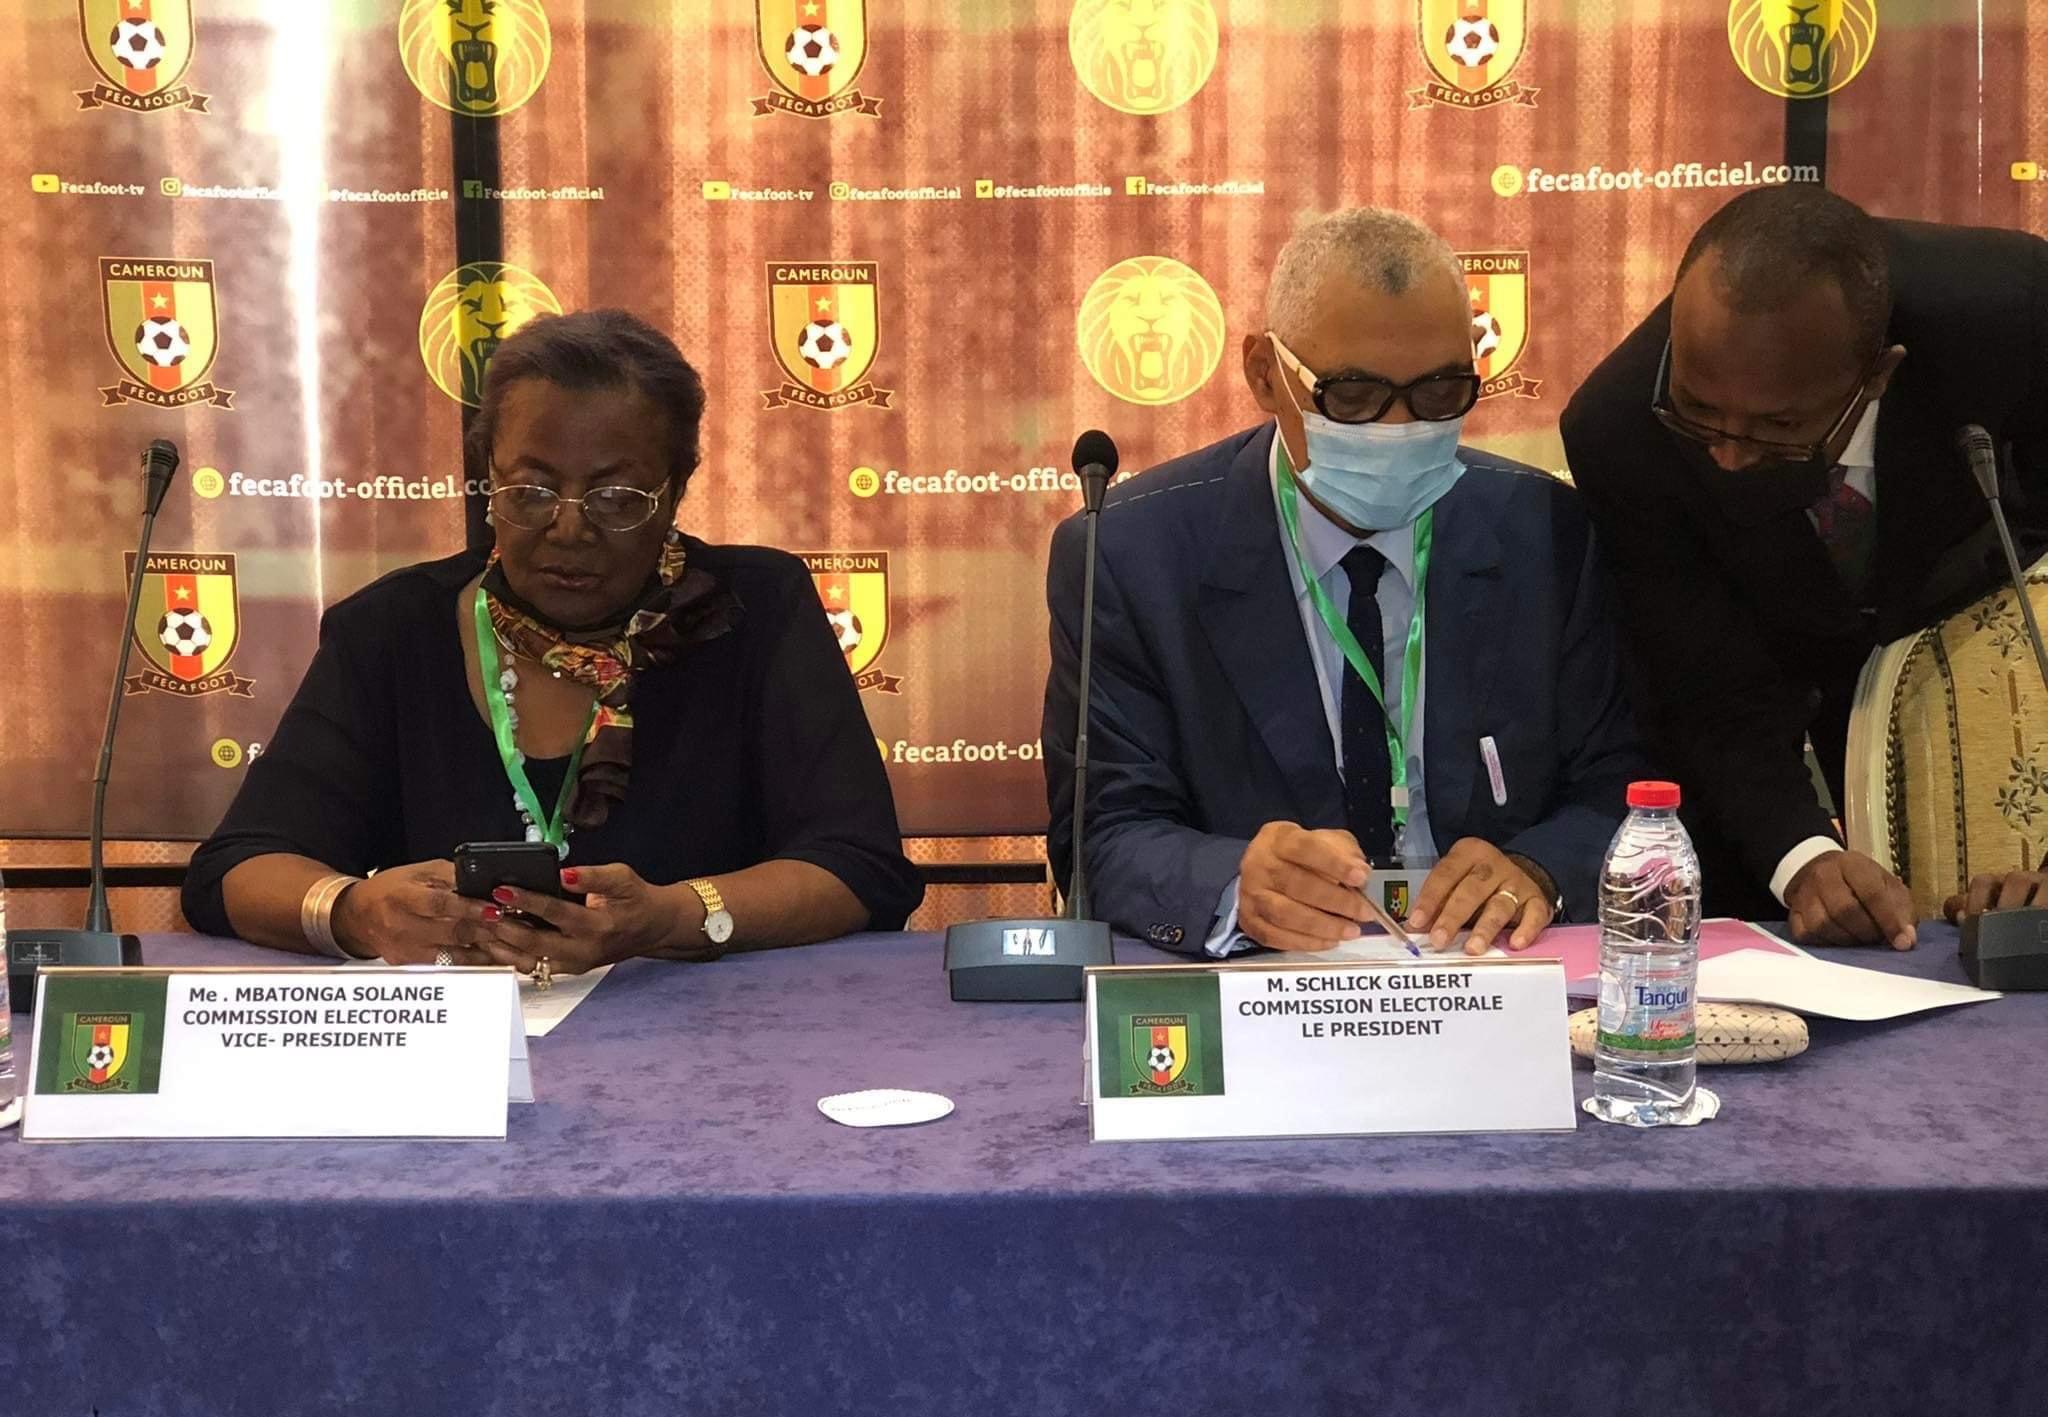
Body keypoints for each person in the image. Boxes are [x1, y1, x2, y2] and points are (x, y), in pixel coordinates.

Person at [183, 309, 923, 974]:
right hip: (463, 1053)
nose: (569, 529)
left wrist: (673, 917)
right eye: (531, 491)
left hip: (715, 1045)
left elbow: (859, 868)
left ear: (676, 488)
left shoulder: (756, 610)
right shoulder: (393, 629)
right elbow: (237, 869)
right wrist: (353, 911)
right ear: (489, 477)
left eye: (616, 498)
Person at [1042, 208, 1642, 958]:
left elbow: (1622, 788)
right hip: (1271, 978)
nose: (1400, 428)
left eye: (1440, 392)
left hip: (1486, 966)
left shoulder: (1546, 533)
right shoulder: (1133, 555)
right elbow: (1103, 833)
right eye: (1353, 396)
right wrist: (1234, 884)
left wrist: (1540, 869)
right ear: (1266, 375)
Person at [1562, 187, 2048, 948]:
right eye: (1698, 411)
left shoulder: (2013, 317)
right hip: (1771, 686)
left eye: (1778, 425)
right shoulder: (1620, 428)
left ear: (1878, 375)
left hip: (1980, 643)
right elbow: (1705, 682)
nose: (1727, 455)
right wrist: (1805, 857)